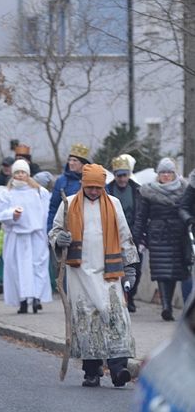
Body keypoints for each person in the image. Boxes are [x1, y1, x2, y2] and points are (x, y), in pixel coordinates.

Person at [49, 164, 139, 388]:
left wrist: (130, 270)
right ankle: (92, 371)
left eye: (98, 188)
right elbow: (55, 231)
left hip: (109, 274)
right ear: (83, 184)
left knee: (116, 318)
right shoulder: (69, 203)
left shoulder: (114, 204)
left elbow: (125, 238)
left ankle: (119, 370)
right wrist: (60, 240)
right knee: (87, 321)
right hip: (79, 273)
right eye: (90, 187)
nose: (94, 192)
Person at [134, 158, 191, 321]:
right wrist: (136, 238)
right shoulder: (148, 191)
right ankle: (166, 305)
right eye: (163, 172)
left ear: (174, 174)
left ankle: (169, 305)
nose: (166, 175)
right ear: (158, 174)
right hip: (158, 235)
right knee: (161, 271)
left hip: (178, 235)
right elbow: (141, 217)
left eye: (169, 172)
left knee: (174, 271)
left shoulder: (184, 189)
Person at [0, 160, 52, 313]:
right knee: (17, 269)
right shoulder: (7, 193)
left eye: (23, 172)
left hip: (36, 237)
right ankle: (22, 300)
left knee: (37, 267)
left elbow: (46, 214)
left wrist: (47, 234)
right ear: (13, 174)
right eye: (17, 172)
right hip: (15, 236)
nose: (20, 175)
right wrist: (12, 214)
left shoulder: (39, 192)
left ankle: (36, 297)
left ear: (28, 174)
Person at [105, 155, 142, 312]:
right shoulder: (108, 189)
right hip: (114, 233)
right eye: (119, 175)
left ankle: (131, 295)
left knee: (135, 267)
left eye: (124, 175)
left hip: (134, 233)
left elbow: (140, 212)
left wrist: (139, 234)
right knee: (115, 267)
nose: (122, 178)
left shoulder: (136, 190)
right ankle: (118, 297)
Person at [47, 143, 90, 231]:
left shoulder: (92, 179)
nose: (71, 163)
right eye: (69, 160)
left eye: (75, 160)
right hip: (66, 226)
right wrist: (51, 230)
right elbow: (54, 207)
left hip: (88, 224)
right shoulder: (61, 181)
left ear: (83, 164)